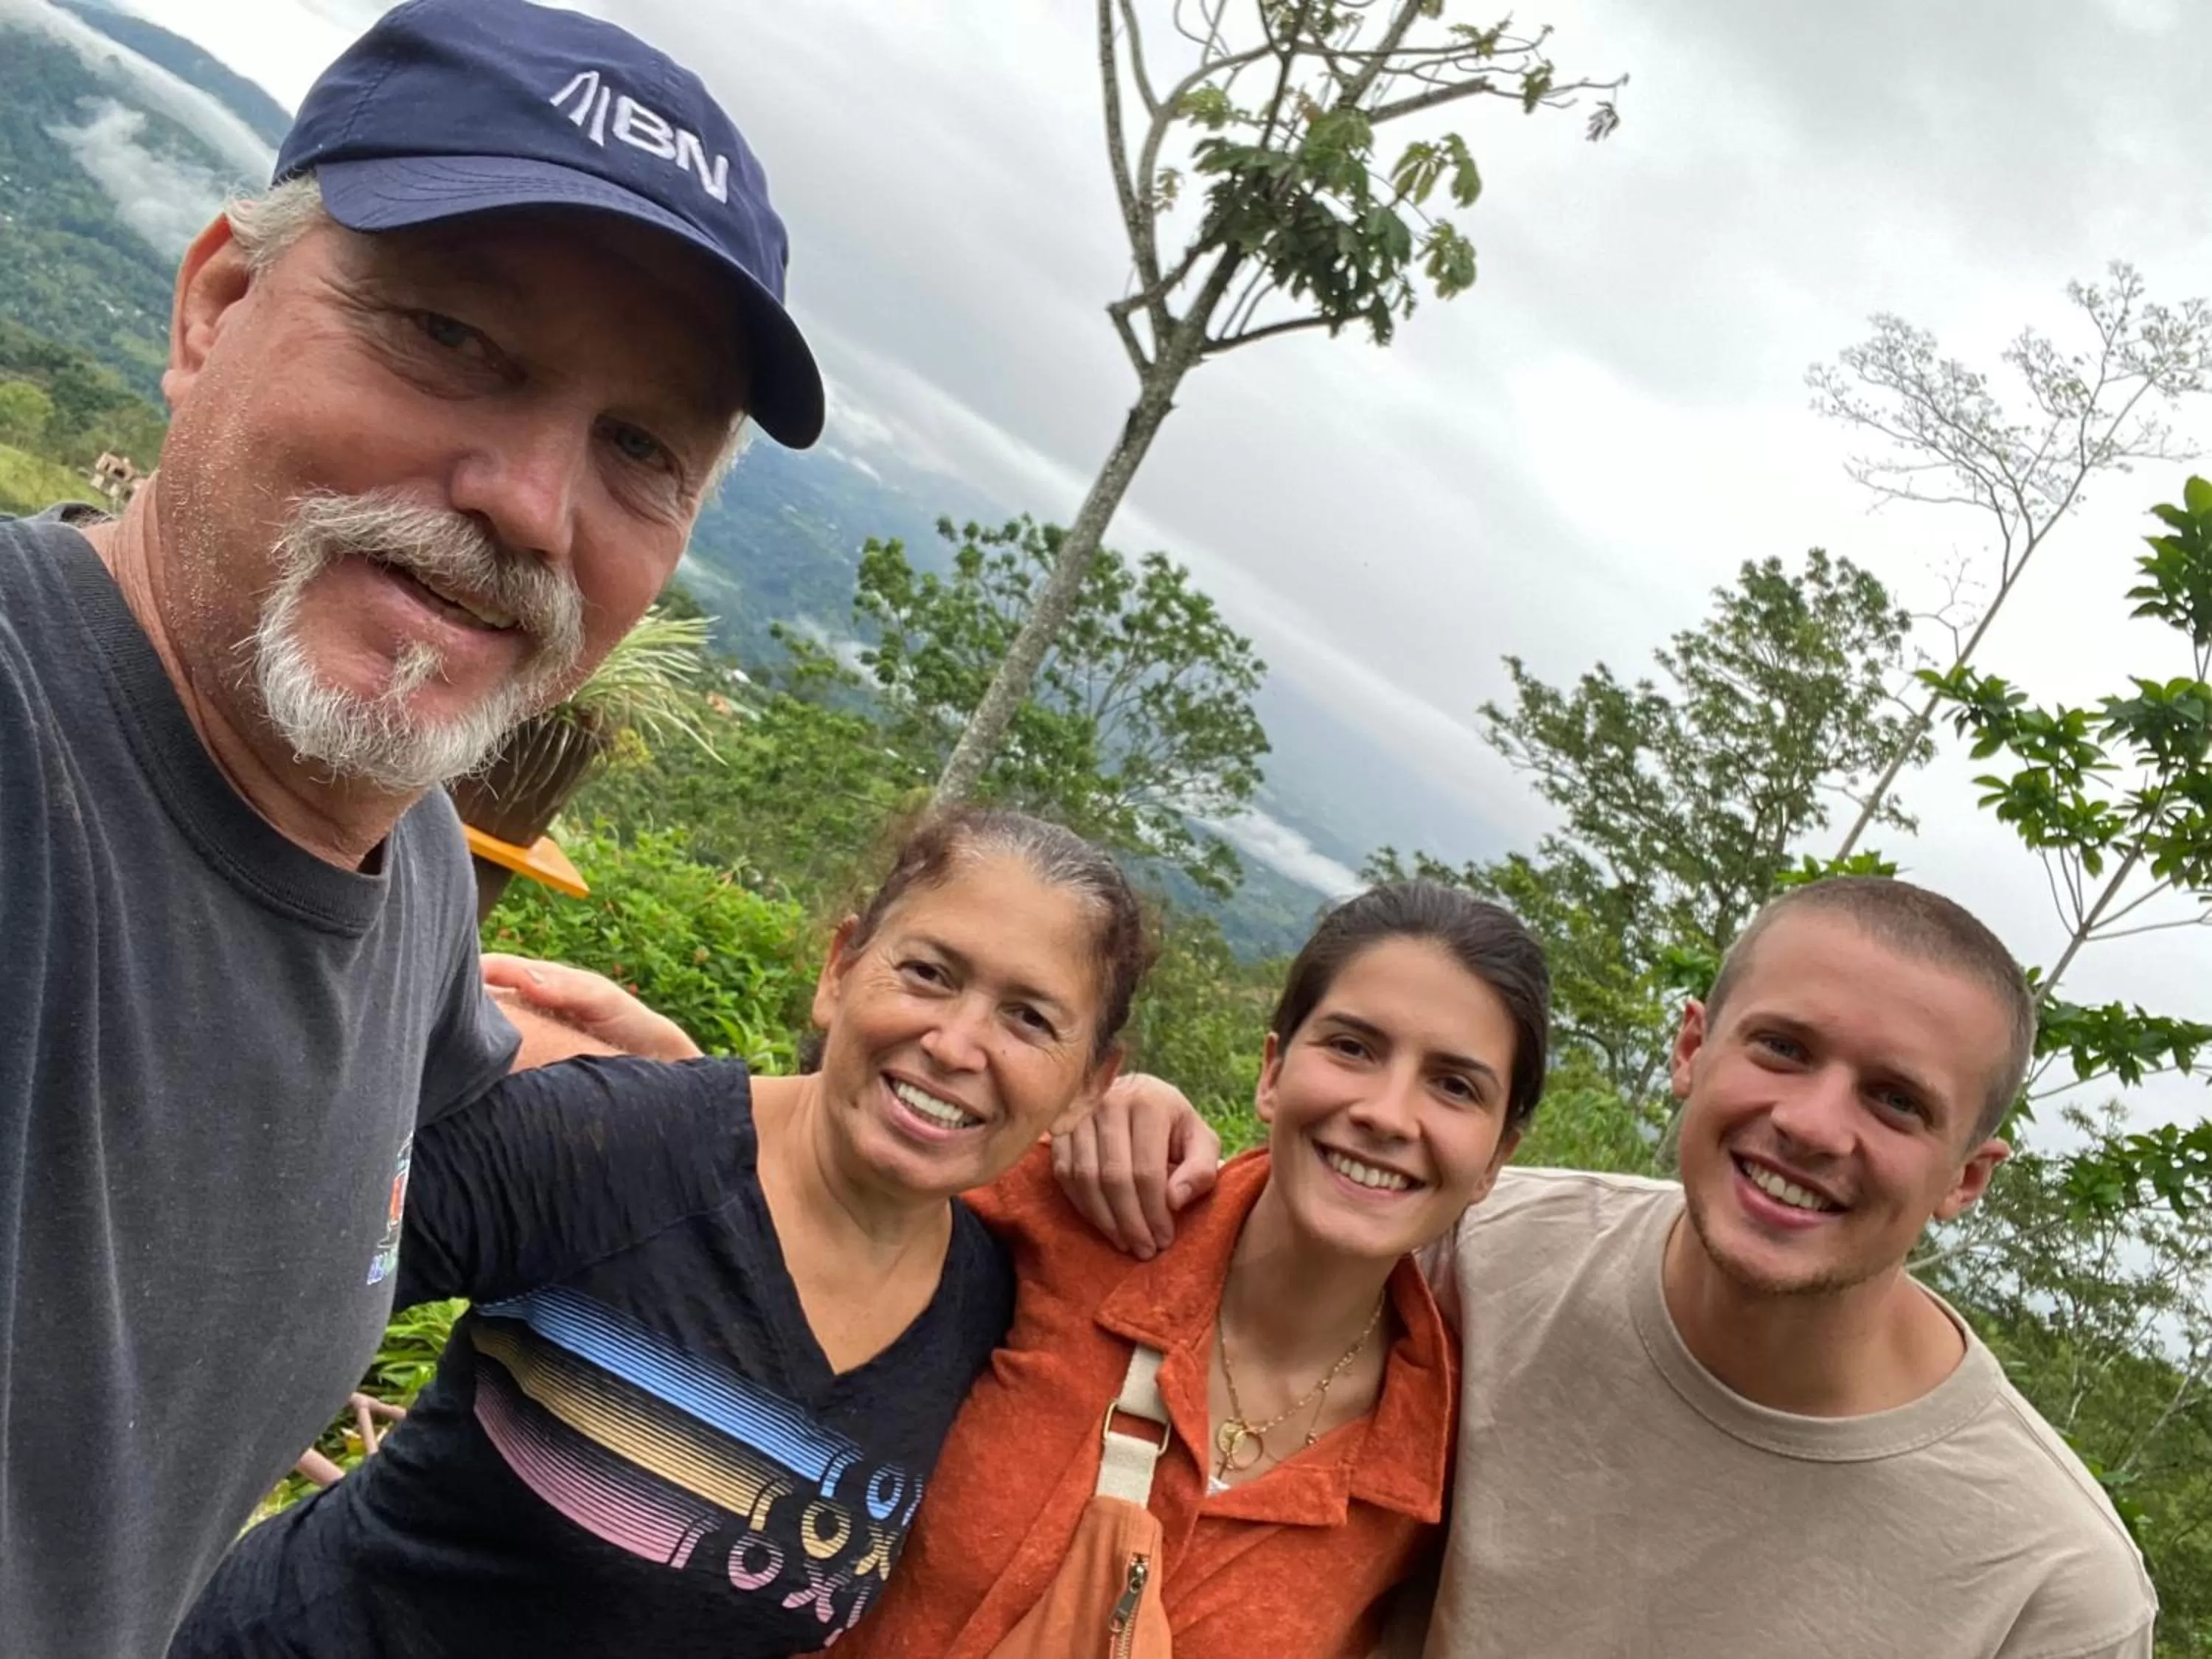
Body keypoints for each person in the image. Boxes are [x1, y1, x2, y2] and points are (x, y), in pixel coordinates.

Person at [0, 1, 825, 1652]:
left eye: (639, 447)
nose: (530, 500)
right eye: (451, 337)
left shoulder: (414, 866)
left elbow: (336, 1078)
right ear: (218, 303)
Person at [1064, 877, 2160, 1657]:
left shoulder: (2050, 1585)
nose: (1815, 1123)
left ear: (1969, 1176)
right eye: (1782, 1047)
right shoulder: (1485, 1257)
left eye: (1896, 1100)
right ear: (1692, 1049)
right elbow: (1287, 1223)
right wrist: (1128, 1118)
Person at [169, 808, 1151, 1658]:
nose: (957, 1042)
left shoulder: (990, 1314)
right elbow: (229, 1280)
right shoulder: (618, 1148)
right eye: (929, 972)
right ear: (840, 967)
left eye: (1028, 1018)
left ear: (1090, 1084)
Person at [829, 881, 1550, 1658]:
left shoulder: (1431, 1476)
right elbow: (809, 1191)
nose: (1385, 1112)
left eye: (1454, 1086)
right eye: (1352, 1047)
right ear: (1273, 1073)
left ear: (1494, 1161)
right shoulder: (1077, 1213)